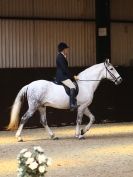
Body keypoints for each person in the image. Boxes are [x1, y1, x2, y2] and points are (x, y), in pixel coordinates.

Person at [55, 42, 79, 111]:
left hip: (64, 75)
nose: (67, 50)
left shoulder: (62, 56)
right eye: (66, 49)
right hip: (62, 77)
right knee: (72, 86)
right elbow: (65, 69)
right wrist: (73, 77)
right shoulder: (60, 57)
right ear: (63, 50)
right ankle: (72, 104)